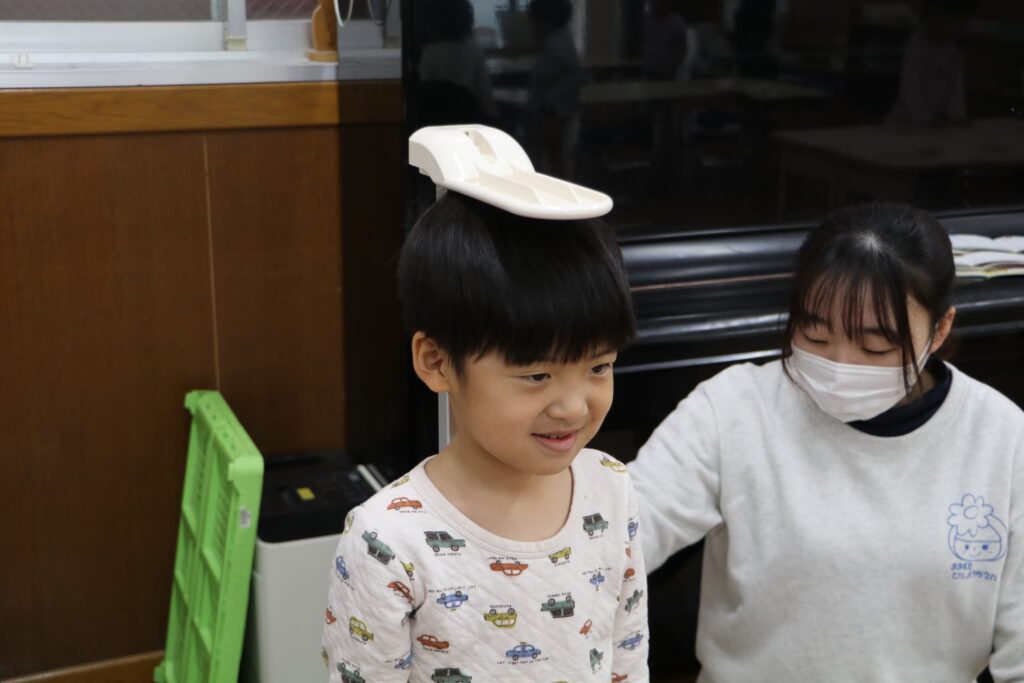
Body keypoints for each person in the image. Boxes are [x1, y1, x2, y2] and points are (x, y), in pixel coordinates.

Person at [630, 202, 1023, 681]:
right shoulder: (733, 409)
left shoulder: (1002, 438)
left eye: (876, 347)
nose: (840, 365)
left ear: (940, 330)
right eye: (815, 336)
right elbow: (624, 533)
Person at [322, 191, 649, 681]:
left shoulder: (610, 487)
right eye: (537, 375)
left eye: (599, 366)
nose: (574, 407)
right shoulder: (387, 540)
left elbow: (627, 655)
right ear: (436, 362)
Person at [888, 0, 978, 128]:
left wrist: (957, 116)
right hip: (906, 120)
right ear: (935, 17)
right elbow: (911, 87)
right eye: (955, 22)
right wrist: (923, 118)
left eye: (963, 23)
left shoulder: (954, 50)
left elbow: (956, 87)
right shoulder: (916, 45)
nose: (960, 28)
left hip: (936, 121)